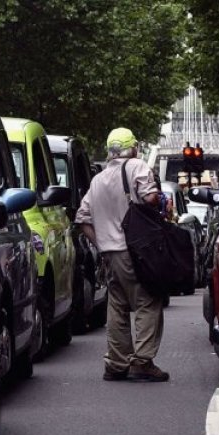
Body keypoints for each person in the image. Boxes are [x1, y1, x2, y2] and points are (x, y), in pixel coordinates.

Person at [75, 127, 169, 382]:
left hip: (110, 254)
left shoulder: (98, 179)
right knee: (148, 301)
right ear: (133, 148)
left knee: (117, 305)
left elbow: (82, 218)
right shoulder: (137, 166)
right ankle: (142, 361)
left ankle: (116, 363)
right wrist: (161, 200)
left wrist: (102, 244)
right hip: (135, 251)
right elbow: (150, 197)